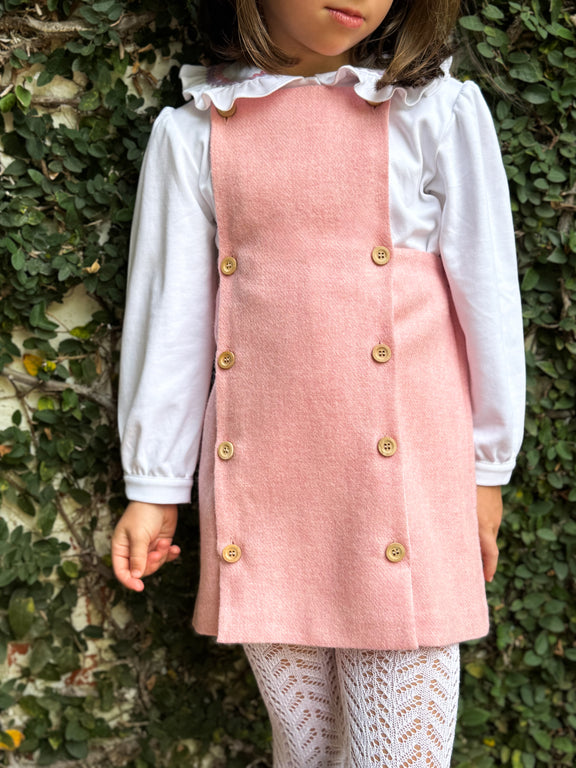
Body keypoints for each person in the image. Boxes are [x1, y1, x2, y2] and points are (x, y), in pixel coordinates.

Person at [112, 0, 526, 765]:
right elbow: (172, 317)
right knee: (306, 750)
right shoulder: (197, 129)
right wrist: (154, 484)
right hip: (266, 492)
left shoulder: (434, 113)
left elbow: (489, 299)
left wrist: (487, 467)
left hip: (408, 488)